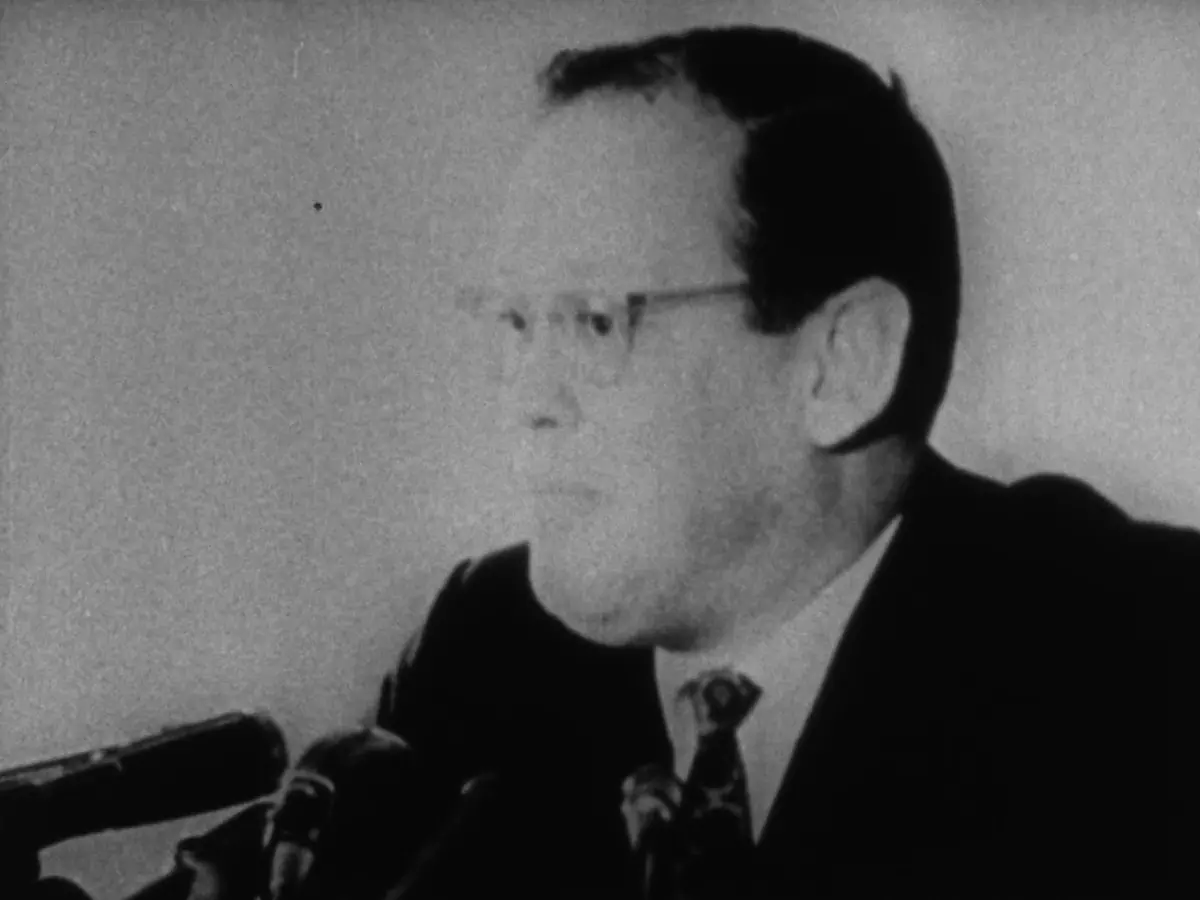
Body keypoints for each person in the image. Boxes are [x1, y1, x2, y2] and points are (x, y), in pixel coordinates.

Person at [164, 24, 1190, 900]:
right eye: (514, 321)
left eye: (595, 319)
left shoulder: (1146, 663)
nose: (527, 398)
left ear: (843, 365)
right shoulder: (487, 650)